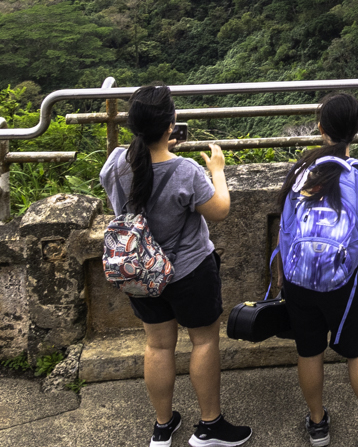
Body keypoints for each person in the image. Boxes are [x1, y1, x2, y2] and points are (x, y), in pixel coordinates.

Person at [98, 84, 251, 447]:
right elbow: (220, 210)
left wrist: (160, 151)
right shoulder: (185, 171)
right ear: (170, 125)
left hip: (140, 272)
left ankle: (163, 427)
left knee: (158, 346)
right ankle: (210, 427)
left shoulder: (116, 162)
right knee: (203, 342)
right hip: (189, 272)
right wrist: (217, 170)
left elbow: (134, 186)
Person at [283, 93, 358, 447]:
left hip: (298, 276)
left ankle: (317, 425)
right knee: (357, 348)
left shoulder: (301, 170)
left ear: (321, 128)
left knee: (308, 349)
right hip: (343, 279)